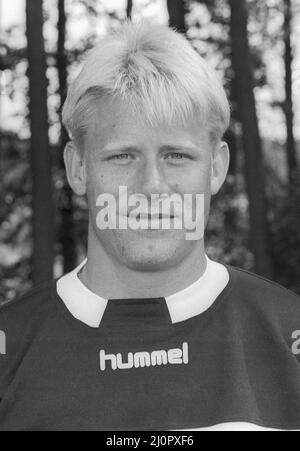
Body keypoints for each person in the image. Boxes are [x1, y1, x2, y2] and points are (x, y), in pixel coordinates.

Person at [0, 21, 300, 432]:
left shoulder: (289, 336)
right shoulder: (8, 347)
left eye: (177, 156)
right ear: (77, 167)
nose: (151, 188)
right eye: (122, 156)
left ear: (216, 167)